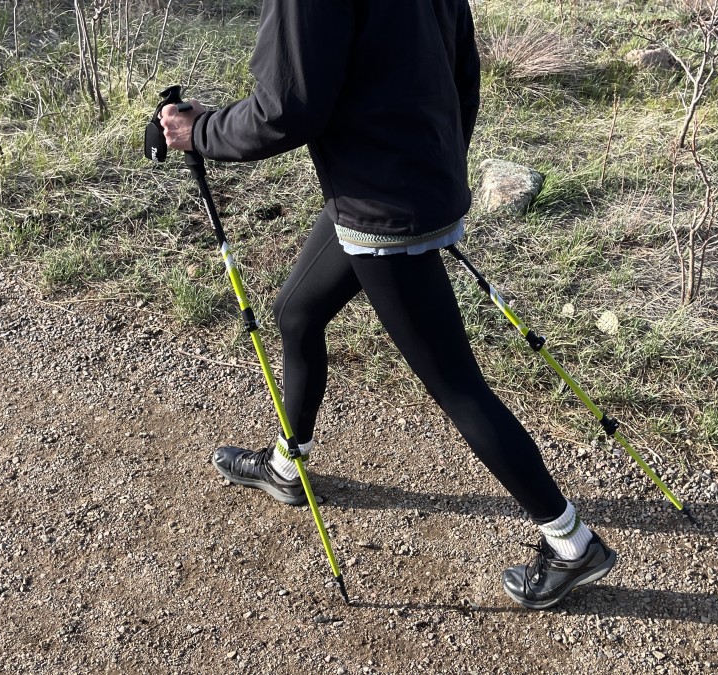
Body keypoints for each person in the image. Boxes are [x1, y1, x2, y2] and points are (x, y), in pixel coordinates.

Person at [160, 0, 616, 610]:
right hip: (394, 186)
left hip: (384, 208)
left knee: (457, 386)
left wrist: (200, 131)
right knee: (296, 313)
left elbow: (286, 110)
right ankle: (286, 468)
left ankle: (571, 543)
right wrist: (433, 171)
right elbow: (464, 73)